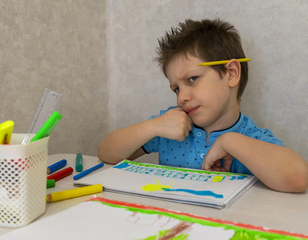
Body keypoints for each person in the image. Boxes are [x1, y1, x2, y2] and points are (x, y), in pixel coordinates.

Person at [98, 19, 308, 193]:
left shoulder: (249, 138)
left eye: (192, 79)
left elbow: (298, 178)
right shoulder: (169, 127)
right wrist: (152, 126)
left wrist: (229, 142)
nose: (182, 98)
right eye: (176, 89)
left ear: (231, 73)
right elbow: (106, 153)